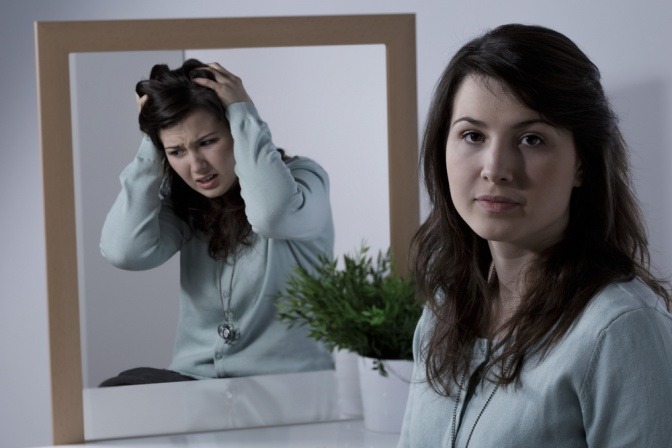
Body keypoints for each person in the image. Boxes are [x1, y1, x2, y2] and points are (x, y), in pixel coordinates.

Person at [398, 24, 672, 447]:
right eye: (473, 135)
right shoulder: (442, 314)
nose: (496, 167)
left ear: (583, 163)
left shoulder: (619, 330)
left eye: (531, 139)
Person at [98, 59, 334, 386]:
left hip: (288, 386)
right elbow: (123, 251)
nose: (197, 166)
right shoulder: (187, 203)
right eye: (177, 151)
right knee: (118, 392)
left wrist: (242, 109)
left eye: (207, 142)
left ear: (235, 130)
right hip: (196, 384)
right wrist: (153, 142)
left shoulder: (304, 182)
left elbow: (271, 215)